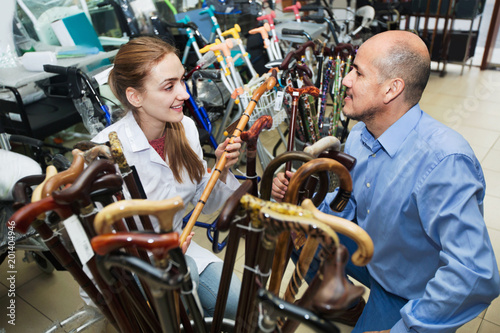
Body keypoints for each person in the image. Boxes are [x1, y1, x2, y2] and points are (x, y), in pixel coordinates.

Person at [271, 30, 500, 332]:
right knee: (296, 227)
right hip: (373, 253)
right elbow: (346, 203)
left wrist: (404, 329)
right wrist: (303, 201)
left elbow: (475, 273)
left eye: (358, 72)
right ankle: (348, 307)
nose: (346, 80)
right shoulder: (360, 134)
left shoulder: (445, 162)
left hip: (406, 288)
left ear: (392, 89)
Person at [92, 36, 242, 319]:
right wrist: (160, 248)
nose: (184, 94)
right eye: (169, 86)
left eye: (182, 81)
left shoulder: (185, 127)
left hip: (180, 248)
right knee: (185, 285)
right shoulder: (104, 153)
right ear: (135, 96)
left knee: (237, 304)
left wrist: (221, 169)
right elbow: (95, 238)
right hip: (131, 266)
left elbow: (203, 202)